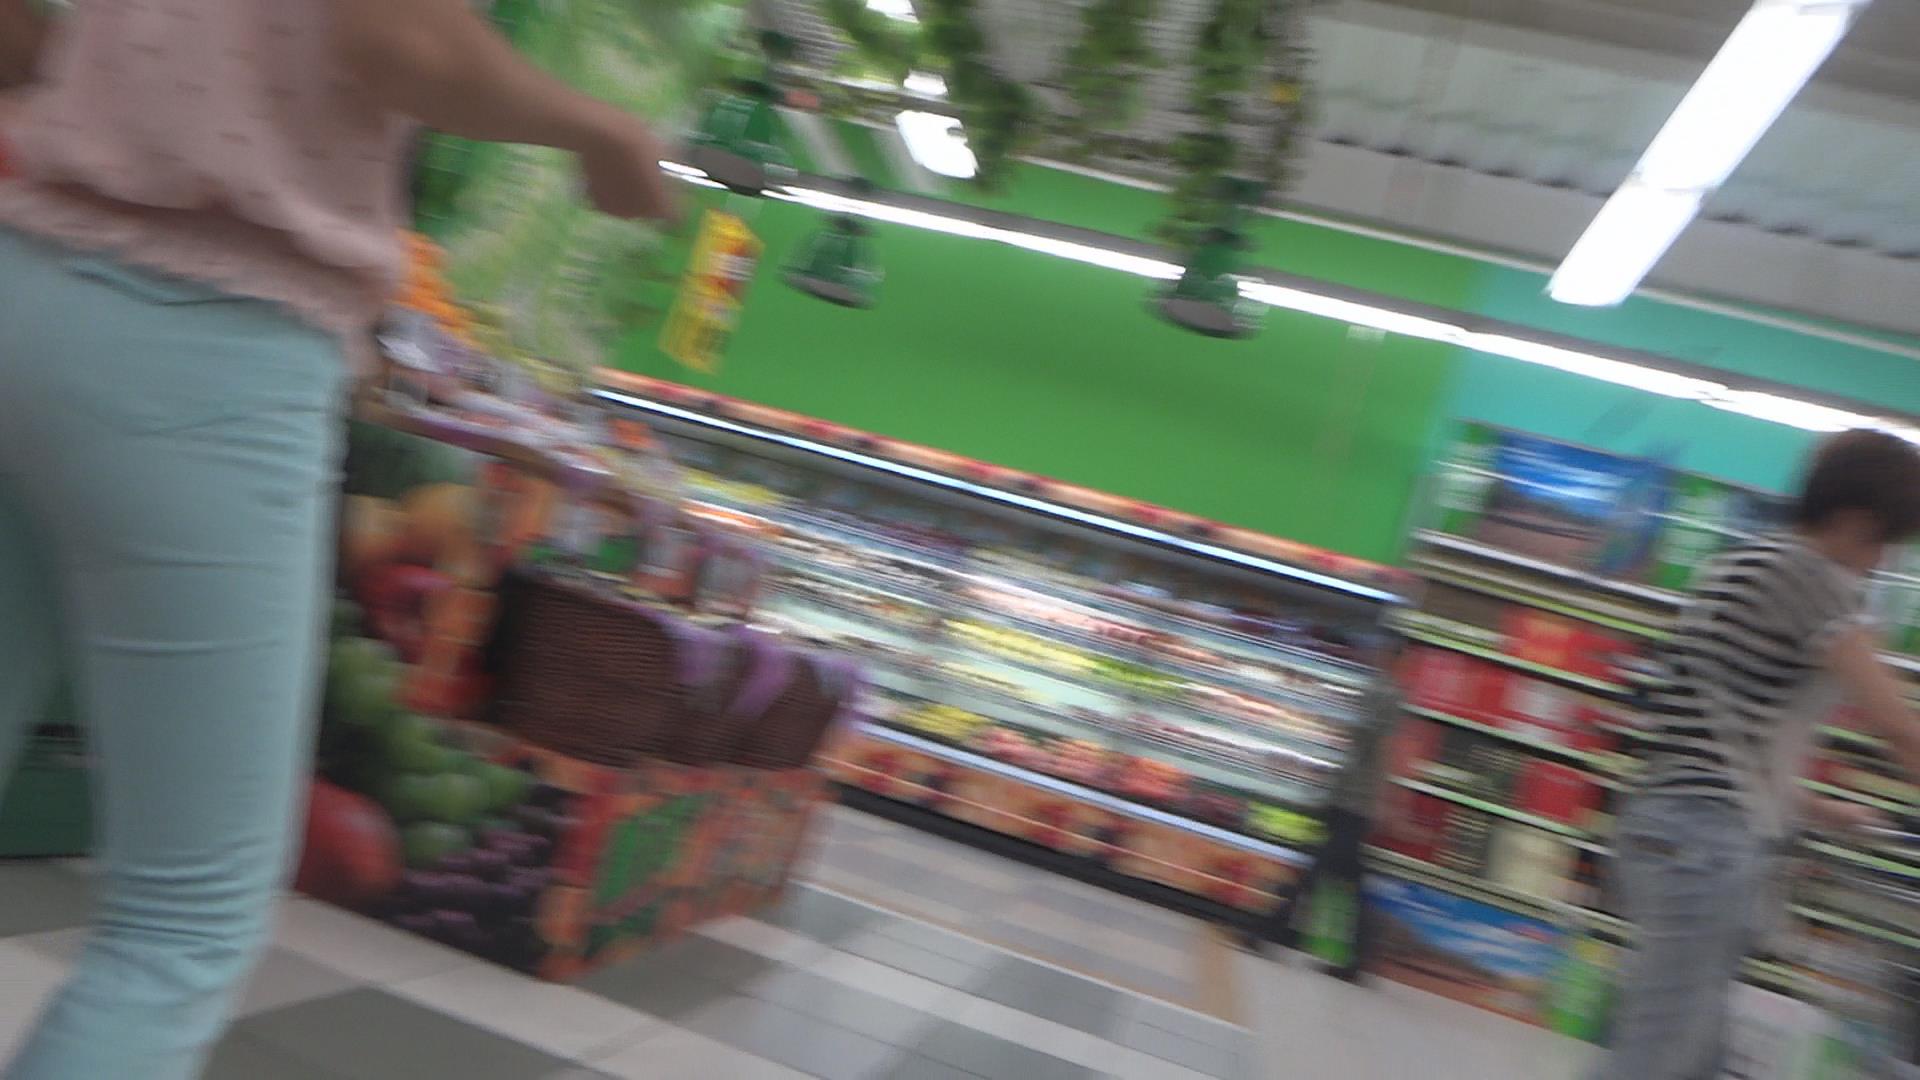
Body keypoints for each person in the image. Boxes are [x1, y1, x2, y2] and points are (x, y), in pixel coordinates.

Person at [0, 3, 674, 1077]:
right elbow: (401, 41)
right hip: (207, 341)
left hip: (23, 274)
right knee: (185, 920)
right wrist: (603, 129)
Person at [1595, 430, 1920, 1080]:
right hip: (1703, 844)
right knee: (1660, 1058)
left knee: (1689, 1055)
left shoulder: (1741, 564)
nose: (1880, 560)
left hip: (1672, 829)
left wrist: (1824, 811)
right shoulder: (1806, 578)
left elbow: (1719, 737)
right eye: (1883, 541)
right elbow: (1895, 723)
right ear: (1855, 518)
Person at [1250, 634, 1403, 981]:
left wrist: (1380, 800)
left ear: (1394, 656)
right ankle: (1356, 958)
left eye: (1382, 650)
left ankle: (1271, 931)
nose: (1376, 653)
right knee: (1346, 881)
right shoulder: (1375, 689)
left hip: (1354, 802)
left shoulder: (1383, 693)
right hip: (1346, 799)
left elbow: (1378, 751)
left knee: (1314, 874)